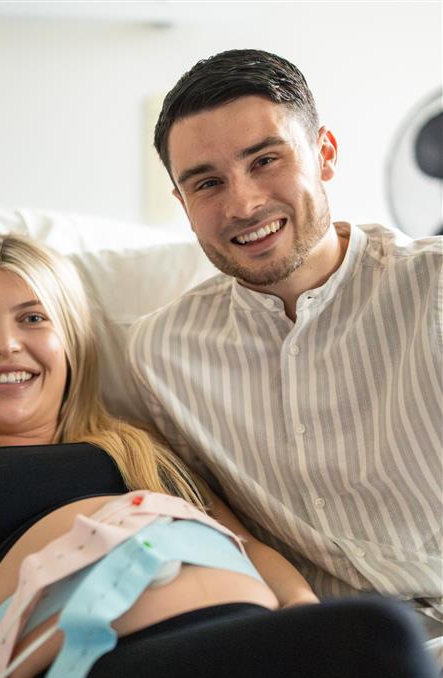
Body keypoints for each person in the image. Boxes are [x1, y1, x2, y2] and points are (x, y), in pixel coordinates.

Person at [0, 233, 442, 678]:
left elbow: (253, 550)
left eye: (32, 318)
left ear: (72, 339)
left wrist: (298, 617)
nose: (5, 344)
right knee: (378, 637)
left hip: (252, 653)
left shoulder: (136, 447)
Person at [128, 48, 443, 647]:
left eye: (265, 160)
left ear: (324, 154)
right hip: (328, 663)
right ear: (183, 204)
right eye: (207, 183)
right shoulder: (161, 355)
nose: (242, 204)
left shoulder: (435, 289)